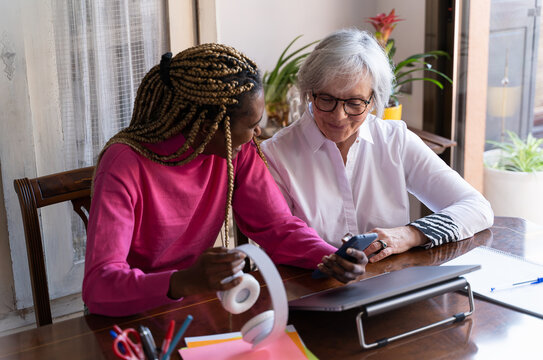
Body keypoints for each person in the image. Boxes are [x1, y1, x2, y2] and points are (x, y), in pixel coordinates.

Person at [82, 44, 367, 317]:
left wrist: (330, 256)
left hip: (200, 305)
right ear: (209, 126)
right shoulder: (124, 164)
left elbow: (277, 226)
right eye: (252, 125)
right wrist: (182, 281)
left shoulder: (234, 151)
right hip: (134, 314)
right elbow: (100, 286)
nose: (258, 133)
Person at [261, 29, 494, 263]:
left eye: (354, 103)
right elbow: (280, 242)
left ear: (373, 100)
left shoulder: (396, 141)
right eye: (327, 99)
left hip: (391, 287)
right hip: (313, 287)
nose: (339, 116)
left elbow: (477, 208)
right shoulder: (276, 155)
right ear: (310, 94)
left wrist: (411, 233)